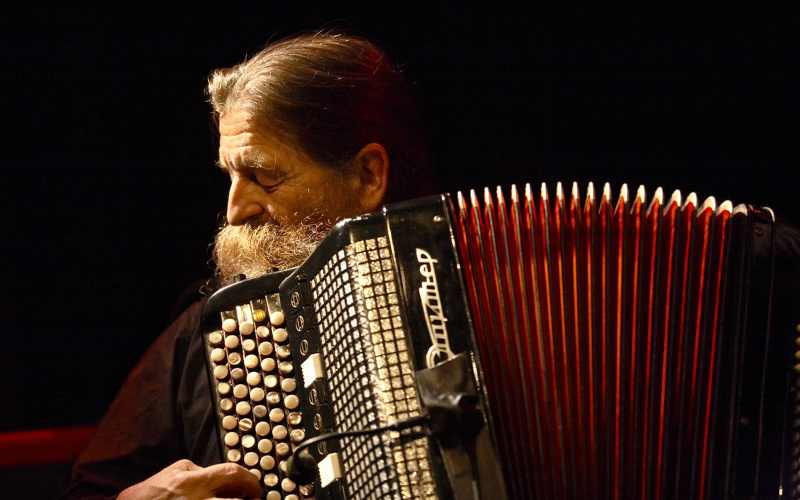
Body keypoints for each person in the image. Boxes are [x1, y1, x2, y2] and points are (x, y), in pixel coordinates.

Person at [61, 31, 433, 500]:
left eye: (263, 177)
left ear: (366, 176)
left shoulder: (498, 291)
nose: (235, 210)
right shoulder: (212, 325)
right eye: (231, 176)